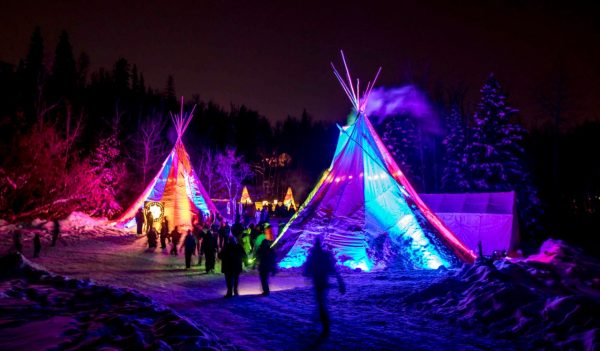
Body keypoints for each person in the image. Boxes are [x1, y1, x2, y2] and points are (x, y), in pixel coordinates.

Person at [303, 237, 346, 338]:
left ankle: (325, 327)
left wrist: (340, 283)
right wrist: (340, 283)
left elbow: (308, 269)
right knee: (320, 303)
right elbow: (333, 270)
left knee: (321, 305)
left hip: (320, 283)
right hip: (320, 283)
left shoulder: (316, 255)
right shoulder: (320, 255)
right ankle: (318, 324)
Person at [255, 224, 276, 296]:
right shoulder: (269, 250)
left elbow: (257, 255)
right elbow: (273, 258)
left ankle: (266, 291)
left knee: (263, 279)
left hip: (263, 266)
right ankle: (266, 290)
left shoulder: (262, 249)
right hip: (266, 266)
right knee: (264, 279)